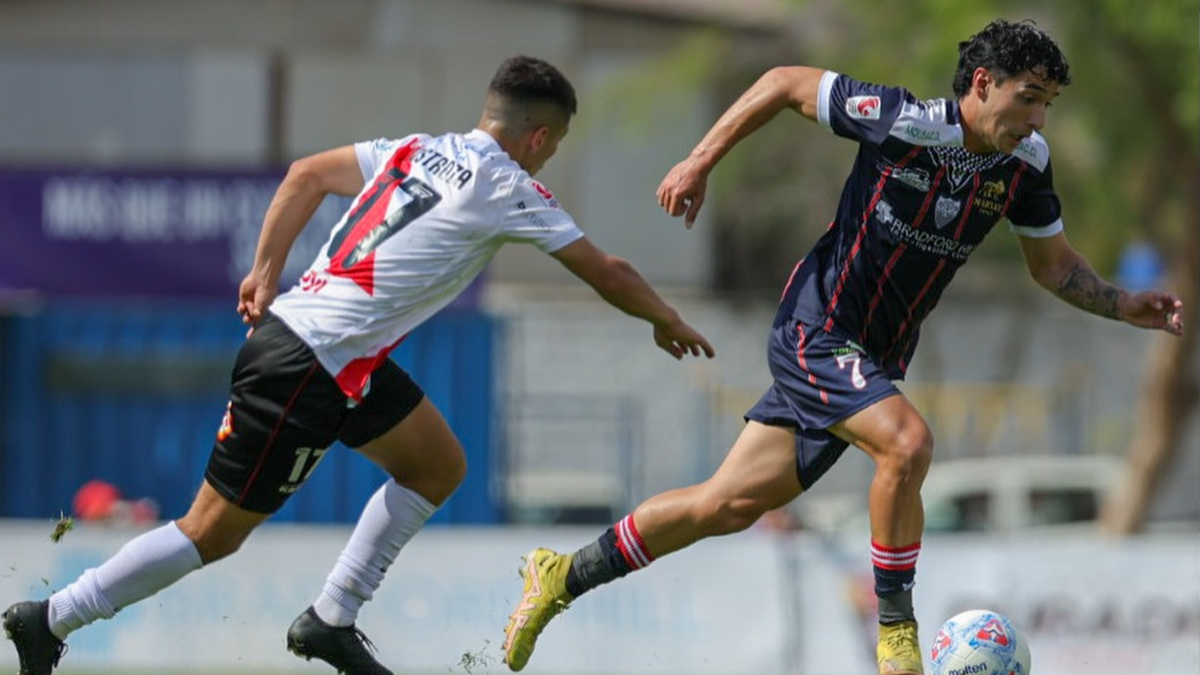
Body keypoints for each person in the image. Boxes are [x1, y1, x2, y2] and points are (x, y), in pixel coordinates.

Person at [500, 19, 1185, 675]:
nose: (1039, 119)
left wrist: (1123, 303)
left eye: (1049, 104)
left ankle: (563, 573)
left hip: (873, 361)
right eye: (1028, 98)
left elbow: (1053, 265)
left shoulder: (1025, 166)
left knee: (724, 505)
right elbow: (782, 81)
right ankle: (896, 632)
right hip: (817, 333)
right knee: (907, 442)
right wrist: (699, 159)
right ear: (980, 84)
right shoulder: (904, 121)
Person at [2, 55, 715, 675]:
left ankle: (331, 618)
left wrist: (264, 269)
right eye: (552, 146)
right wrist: (666, 318)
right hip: (305, 366)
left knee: (437, 464)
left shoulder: (414, 148)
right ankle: (54, 614)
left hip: (339, 358)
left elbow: (306, 174)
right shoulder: (508, 186)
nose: (546, 158)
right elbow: (608, 269)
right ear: (538, 135)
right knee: (210, 532)